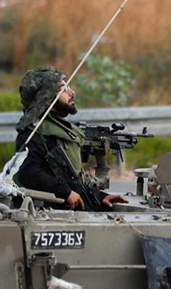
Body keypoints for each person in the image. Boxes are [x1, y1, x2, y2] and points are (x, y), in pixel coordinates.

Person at [14, 66, 127, 210]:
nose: (72, 93)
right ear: (47, 98)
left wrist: (99, 196)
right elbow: (29, 173)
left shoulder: (60, 129)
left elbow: (72, 180)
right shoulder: (35, 133)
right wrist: (65, 193)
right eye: (63, 89)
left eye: (69, 87)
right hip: (45, 213)